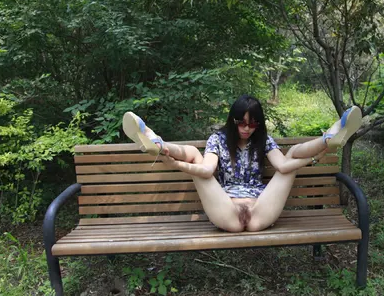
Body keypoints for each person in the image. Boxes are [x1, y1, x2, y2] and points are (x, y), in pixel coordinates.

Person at [122, 94, 362, 232]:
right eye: (242, 123)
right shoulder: (218, 139)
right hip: (226, 212)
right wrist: (177, 164)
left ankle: (328, 139)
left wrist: (315, 156)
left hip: (260, 214)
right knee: (194, 153)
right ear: (233, 120)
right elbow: (206, 170)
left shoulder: (263, 140)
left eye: (253, 123)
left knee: (291, 155)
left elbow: (282, 167)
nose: (247, 128)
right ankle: (158, 144)